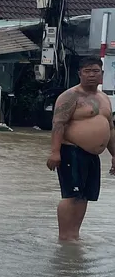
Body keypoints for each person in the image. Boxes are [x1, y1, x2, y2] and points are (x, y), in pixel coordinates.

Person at [47, 57, 115, 241]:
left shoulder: (104, 98)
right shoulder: (71, 96)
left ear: (102, 73)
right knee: (71, 195)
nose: (91, 75)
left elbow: (110, 128)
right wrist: (55, 152)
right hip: (72, 151)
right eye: (87, 71)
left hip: (92, 155)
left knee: (84, 196)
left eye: (95, 71)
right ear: (79, 74)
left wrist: (114, 155)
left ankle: (74, 235)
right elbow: (58, 124)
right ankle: (64, 236)